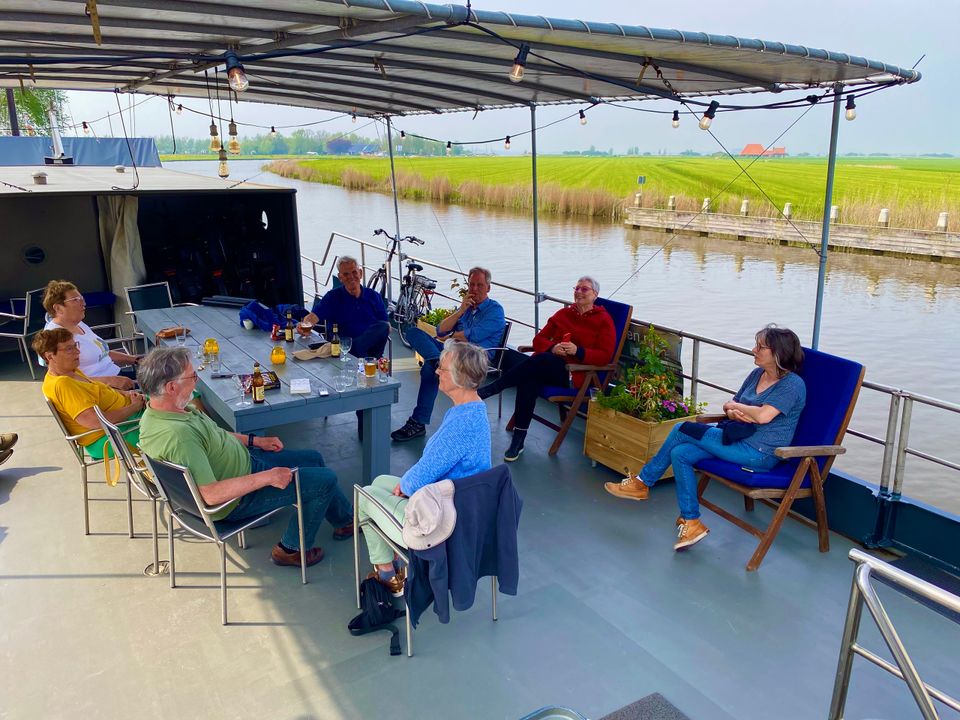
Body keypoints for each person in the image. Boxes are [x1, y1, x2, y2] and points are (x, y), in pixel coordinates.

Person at [137, 347, 354, 568]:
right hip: (237, 500)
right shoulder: (179, 437)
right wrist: (268, 477)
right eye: (192, 376)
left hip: (247, 464)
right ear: (171, 387)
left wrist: (255, 441)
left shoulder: (158, 414)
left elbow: (215, 435)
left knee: (313, 458)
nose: (196, 381)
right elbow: (211, 494)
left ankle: (345, 521)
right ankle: (290, 549)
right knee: (325, 481)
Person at [605, 325, 807, 551]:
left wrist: (739, 408)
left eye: (761, 347)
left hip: (759, 453)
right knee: (680, 453)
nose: (754, 350)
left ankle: (642, 483)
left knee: (682, 428)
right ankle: (691, 521)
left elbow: (763, 416)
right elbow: (730, 406)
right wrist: (734, 411)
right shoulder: (756, 375)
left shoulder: (792, 384)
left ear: (778, 353)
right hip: (735, 439)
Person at [359, 341, 491, 595]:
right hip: (456, 500)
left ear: (460, 377)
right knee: (379, 482)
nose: (437, 371)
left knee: (365, 496)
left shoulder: (462, 424)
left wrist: (406, 486)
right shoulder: (472, 409)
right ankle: (396, 563)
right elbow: (433, 466)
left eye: (442, 368)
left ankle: (387, 575)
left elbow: (426, 471)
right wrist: (406, 485)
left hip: (444, 519)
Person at [478, 275, 615, 462]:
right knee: (530, 379)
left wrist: (578, 351)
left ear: (595, 295)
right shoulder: (564, 314)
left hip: (573, 374)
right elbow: (538, 340)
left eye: (584, 289)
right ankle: (518, 440)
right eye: (576, 288)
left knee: (539, 363)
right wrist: (553, 347)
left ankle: (494, 388)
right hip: (549, 366)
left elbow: (605, 356)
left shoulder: (603, 320)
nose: (579, 292)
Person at [392, 267, 505, 442]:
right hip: (453, 352)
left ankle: (418, 422)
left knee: (429, 369)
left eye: (479, 285)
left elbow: (471, 336)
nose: (474, 289)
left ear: (488, 288)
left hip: (475, 358)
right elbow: (440, 330)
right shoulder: (467, 308)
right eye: (471, 285)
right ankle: (437, 361)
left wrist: (451, 337)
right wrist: (460, 311)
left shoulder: (495, 311)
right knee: (413, 332)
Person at [33, 328, 145, 460]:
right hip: (111, 436)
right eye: (69, 349)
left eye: (75, 345)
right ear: (50, 356)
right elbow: (96, 422)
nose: (77, 351)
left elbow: (98, 390)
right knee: (165, 425)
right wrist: (133, 407)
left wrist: (126, 394)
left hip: (125, 420)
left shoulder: (69, 371)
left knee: (164, 401)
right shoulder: (63, 384)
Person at [42, 280, 140, 390]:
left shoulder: (78, 324)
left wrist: (135, 359)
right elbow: (66, 380)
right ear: (58, 308)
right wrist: (109, 381)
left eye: (82, 299)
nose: (83, 303)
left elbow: (103, 353)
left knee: (155, 374)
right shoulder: (55, 336)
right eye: (75, 300)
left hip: (117, 376)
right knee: (156, 388)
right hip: (101, 390)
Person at [302, 256, 389, 359]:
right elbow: (313, 317)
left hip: (370, 350)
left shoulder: (373, 296)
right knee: (349, 343)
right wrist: (304, 325)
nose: (351, 277)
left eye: (354, 272)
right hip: (342, 348)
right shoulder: (332, 297)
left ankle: (359, 351)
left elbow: (385, 325)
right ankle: (357, 352)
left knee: (384, 326)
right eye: (346, 274)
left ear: (360, 273)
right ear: (340, 278)